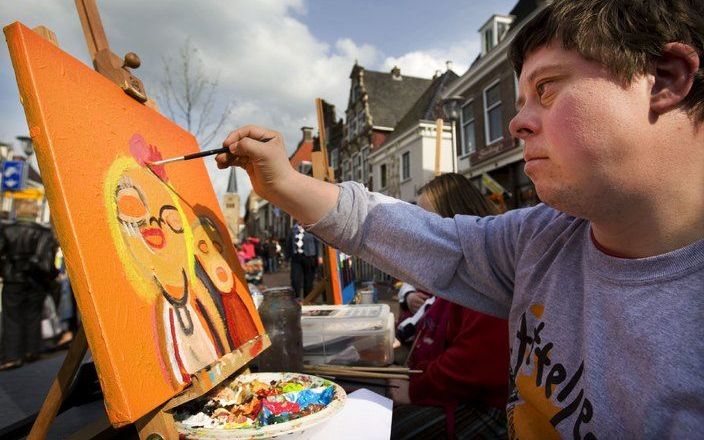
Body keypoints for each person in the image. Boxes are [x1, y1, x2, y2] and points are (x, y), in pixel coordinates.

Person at [216, 0, 703, 436]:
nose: (516, 124)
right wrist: (285, 184)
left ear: (663, 76)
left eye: (547, 88)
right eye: (519, 102)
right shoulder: (540, 238)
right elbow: (411, 234)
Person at [389, 173, 510, 440]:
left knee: (388, 430)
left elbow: (475, 362)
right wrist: (408, 297)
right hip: (449, 388)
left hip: (484, 406)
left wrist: (416, 388)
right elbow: (421, 305)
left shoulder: (485, 275)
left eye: (426, 220)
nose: (417, 230)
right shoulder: (453, 266)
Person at [0, 203, 59, 370]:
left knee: (12, 317)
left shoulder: (7, 230)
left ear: (18, 212)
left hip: (13, 278)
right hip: (36, 280)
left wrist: (4, 271)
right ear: (36, 213)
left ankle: (12, 356)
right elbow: (48, 262)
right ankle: (32, 350)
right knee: (34, 314)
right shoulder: (43, 233)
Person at [284, 221, 319, 298]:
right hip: (296, 258)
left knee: (309, 280)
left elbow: (317, 242)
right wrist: (286, 258)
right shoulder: (293, 229)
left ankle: (308, 299)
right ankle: (296, 298)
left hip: (309, 257)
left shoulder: (311, 228)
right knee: (295, 279)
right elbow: (288, 244)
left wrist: (319, 256)